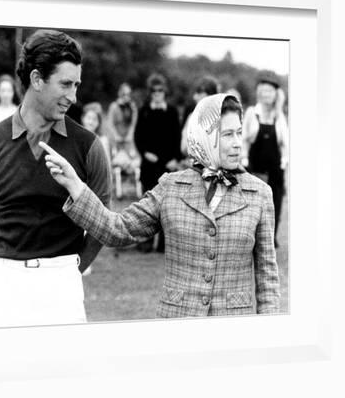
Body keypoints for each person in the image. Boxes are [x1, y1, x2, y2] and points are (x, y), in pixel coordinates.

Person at [41, 93, 280, 318]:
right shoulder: (171, 187)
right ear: (205, 135)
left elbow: (267, 279)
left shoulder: (260, 193)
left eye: (239, 132)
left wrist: (268, 331)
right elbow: (118, 230)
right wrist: (75, 186)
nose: (238, 143)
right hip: (177, 325)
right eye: (227, 135)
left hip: (234, 331)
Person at [0, 29, 111, 327]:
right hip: (3, 286)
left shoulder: (89, 147)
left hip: (63, 287)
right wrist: (13, 264)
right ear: (36, 79)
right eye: (65, 84)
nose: (74, 96)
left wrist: (69, 270)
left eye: (77, 85)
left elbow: (101, 224)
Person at [134, 73, 181, 252]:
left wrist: (174, 159)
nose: (157, 94)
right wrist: (145, 153)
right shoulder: (144, 110)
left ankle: (163, 244)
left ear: (165, 92)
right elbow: (138, 136)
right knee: (147, 203)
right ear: (150, 92)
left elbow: (176, 135)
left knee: (167, 205)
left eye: (160, 91)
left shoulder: (172, 111)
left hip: (167, 164)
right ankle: (145, 242)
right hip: (149, 163)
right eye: (154, 91)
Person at [242, 70, 288, 247]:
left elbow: (285, 143)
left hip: (275, 169)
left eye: (270, 91)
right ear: (259, 93)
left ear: (275, 94)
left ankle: (270, 240)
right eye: (263, 90)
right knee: (253, 206)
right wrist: (244, 159)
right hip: (254, 167)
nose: (266, 94)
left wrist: (284, 162)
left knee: (274, 204)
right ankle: (251, 240)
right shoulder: (251, 113)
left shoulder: (279, 116)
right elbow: (244, 138)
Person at [105, 82, 141, 199]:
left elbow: (133, 123)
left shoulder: (132, 106)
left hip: (129, 140)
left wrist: (130, 134)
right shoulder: (114, 106)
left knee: (134, 160)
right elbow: (110, 123)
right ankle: (118, 188)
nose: (127, 96)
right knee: (117, 160)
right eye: (125, 93)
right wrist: (116, 135)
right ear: (120, 93)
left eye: (129, 93)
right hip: (117, 140)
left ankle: (133, 187)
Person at [180, 75, 220, 157]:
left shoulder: (223, 117)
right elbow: (184, 148)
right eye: (195, 93)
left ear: (211, 95)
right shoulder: (191, 117)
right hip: (195, 166)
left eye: (199, 93)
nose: (195, 97)